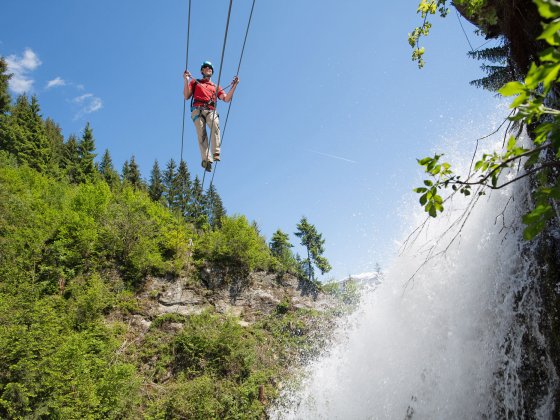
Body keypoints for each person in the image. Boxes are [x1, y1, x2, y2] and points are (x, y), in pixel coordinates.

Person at [183, 61, 239, 172]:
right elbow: (186, 96)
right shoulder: (195, 82)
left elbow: (226, 99)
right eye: (205, 67)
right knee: (201, 133)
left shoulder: (216, 87)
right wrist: (186, 79)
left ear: (212, 72)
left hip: (210, 110)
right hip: (197, 110)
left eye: (210, 68)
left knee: (214, 123)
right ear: (202, 71)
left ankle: (216, 152)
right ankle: (206, 160)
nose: (208, 68)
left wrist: (234, 86)